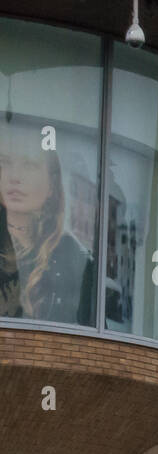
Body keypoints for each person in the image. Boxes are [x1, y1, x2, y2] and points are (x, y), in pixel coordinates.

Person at [0, 130, 95, 325]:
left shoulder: (73, 258)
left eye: (29, 165)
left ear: (52, 185)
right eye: (5, 163)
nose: (14, 176)